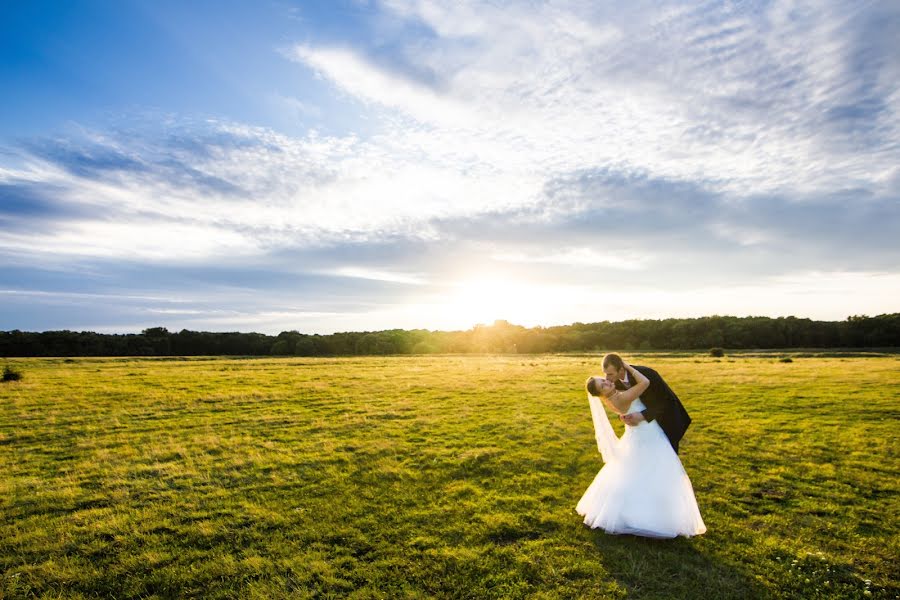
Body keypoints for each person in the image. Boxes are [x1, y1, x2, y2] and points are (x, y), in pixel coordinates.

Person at [575, 360, 706, 538]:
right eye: (603, 383)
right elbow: (644, 383)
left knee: (636, 472)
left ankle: (631, 511)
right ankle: (653, 517)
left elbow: (661, 399)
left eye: (606, 377)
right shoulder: (619, 396)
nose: (607, 380)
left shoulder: (614, 394)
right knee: (656, 471)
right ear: (601, 394)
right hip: (647, 434)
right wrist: (628, 366)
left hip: (641, 433)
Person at [602, 353, 692, 454]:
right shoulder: (614, 383)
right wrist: (623, 417)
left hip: (665, 421)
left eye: (610, 374)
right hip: (640, 430)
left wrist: (643, 416)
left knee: (665, 457)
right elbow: (619, 404)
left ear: (621, 369)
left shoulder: (647, 373)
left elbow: (667, 401)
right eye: (605, 373)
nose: (606, 378)